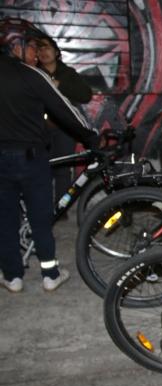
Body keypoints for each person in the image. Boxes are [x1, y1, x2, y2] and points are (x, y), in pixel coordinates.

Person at [0, 18, 99, 293]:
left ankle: (13, 277)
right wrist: (93, 137)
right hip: (32, 159)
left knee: (5, 219)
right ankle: (50, 274)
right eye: (30, 45)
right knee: (40, 217)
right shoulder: (33, 75)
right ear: (14, 45)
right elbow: (66, 110)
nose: (35, 52)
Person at [37, 36, 93, 210]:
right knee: (41, 169)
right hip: (39, 129)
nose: (43, 52)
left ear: (56, 52)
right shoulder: (33, 72)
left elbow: (86, 95)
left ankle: (61, 208)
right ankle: (42, 207)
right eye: (39, 49)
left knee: (63, 169)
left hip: (64, 129)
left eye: (47, 48)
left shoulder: (68, 73)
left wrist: (59, 85)